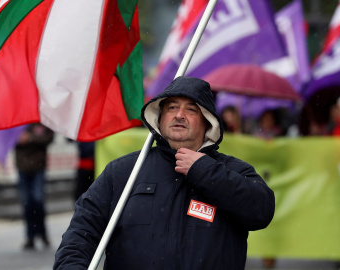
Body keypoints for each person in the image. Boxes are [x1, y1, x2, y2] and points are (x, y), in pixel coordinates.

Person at [54, 76, 275, 269]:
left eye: (191, 109)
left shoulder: (234, 170)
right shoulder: (124, 171)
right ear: (159, 118)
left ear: (208, 124)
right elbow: (81, 233)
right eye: (171, 107)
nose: (179, 115)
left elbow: (261, 210)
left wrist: (204, 170)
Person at [15, 123, 54, 250]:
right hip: (22, 167)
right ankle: (30, 236)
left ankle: (42, 233)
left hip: (38, 167)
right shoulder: (17, 119)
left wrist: (30, 138)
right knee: (27, 202)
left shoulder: (41, 118)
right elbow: (8, 139)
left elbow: (49, 137)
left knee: (38, 200)